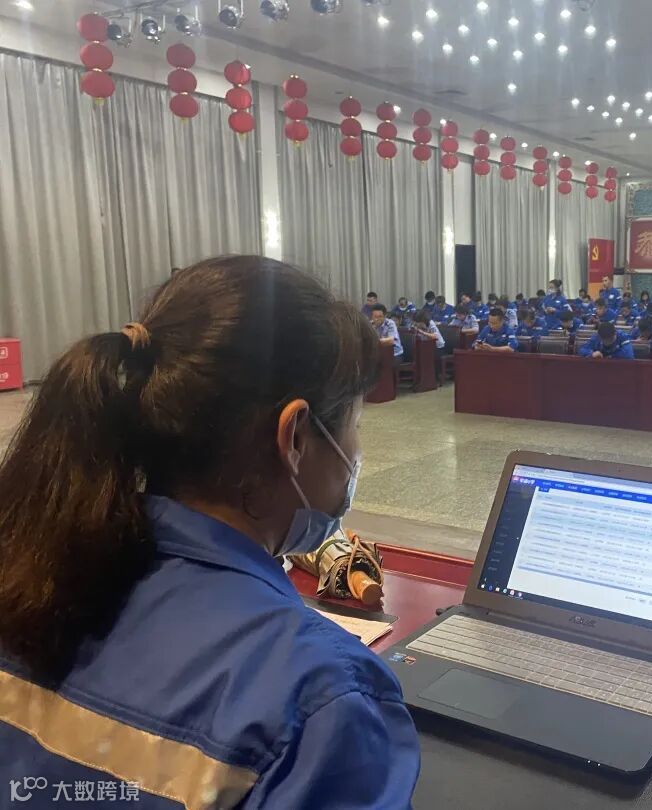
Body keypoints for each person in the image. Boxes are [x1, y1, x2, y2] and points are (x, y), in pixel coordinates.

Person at [0, 257, 420, 806]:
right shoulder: (323, 698)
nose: (356, 451)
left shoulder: (31, 572)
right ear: (294, 437)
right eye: (354, 426)